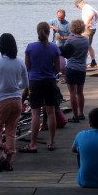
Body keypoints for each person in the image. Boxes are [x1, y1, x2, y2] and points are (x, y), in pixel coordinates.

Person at [0, 33, 29, 172]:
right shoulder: (20, 62)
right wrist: (14, 86)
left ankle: (0, 157)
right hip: (17, 100)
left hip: (1, 100)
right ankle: (8, 161)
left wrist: (1, 86)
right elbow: (25, 83)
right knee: (10, 132)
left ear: (1, 46)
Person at [20, 22, 60, 152]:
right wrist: (50, 74)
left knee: (35, 113)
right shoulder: (54, 48)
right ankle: (52, 142)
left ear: (37, 32)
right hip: (50, 82)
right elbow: (58, 68)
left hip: (35, 83)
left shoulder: (30, 47)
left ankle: (33, 144)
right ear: (49, 32)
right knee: (51, 112)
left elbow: (28, 67)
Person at [64, 19, 90, 123]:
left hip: (71, 68)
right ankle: (81, 113)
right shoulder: (86, 40)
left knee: (72, 93)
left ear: (72, 28)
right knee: (80, 92)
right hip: (82, 68)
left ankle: (75, 116)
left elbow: (66, 54)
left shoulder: (70, 41)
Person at [74, 0, 98, 67]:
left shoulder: (85, 8)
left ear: (80, 3)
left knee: (84, 45)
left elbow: (92, 15)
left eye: (77, 6)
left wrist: (87, 23)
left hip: (88, 29)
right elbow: (97, 13)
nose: (78, 8)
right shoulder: (89, 7)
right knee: (88, 45)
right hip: (92, 28)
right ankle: (93, 61)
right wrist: (94, 21)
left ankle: (83, 63)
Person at [48, 9, 71, 79]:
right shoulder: (54, 21)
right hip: (54, 45)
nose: (60, 19)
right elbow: (44, 25)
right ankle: (54, 75)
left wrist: (62, 37)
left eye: (62, 18)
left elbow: (71, 37)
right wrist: (52, 27)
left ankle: (64, 76)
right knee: (51, 61)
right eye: (59, 18)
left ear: (65, 16)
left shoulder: (68, 25)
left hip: (63, 47)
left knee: (62, 64)